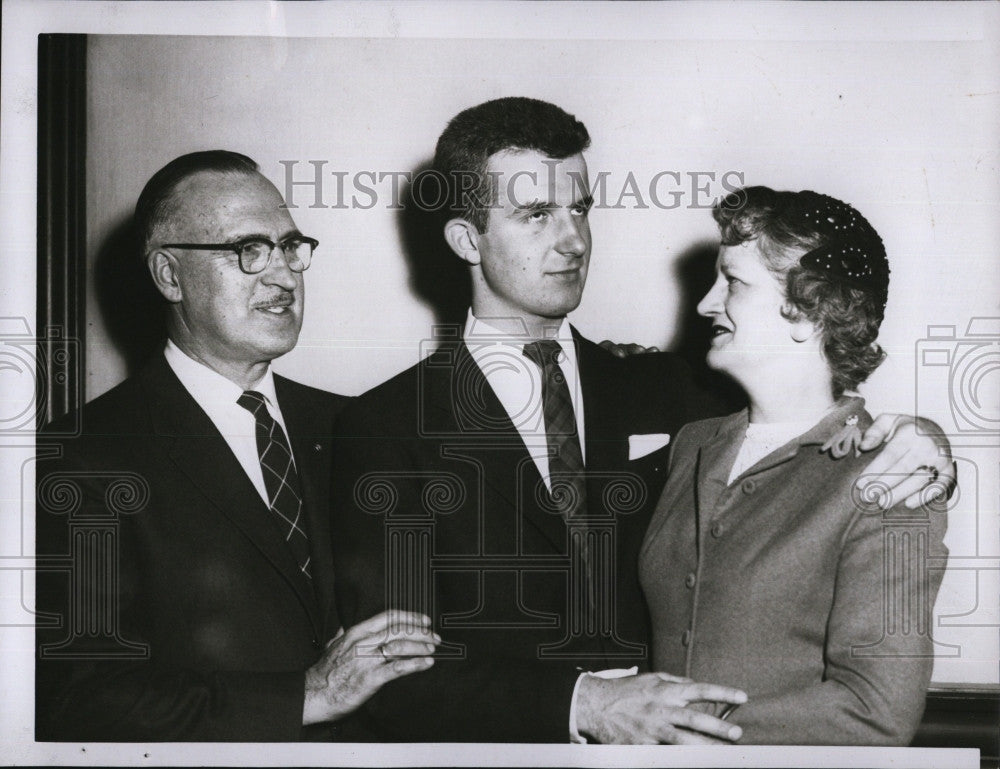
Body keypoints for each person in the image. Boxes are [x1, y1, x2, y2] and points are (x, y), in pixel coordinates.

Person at [328, 97, 953, 744]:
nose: (573, 240)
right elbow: (391, 673)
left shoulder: (677, 392)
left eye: (580, 208)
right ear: (466, 238)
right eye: (537, 215)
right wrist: (587, 704)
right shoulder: (386, 427)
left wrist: (924, 444)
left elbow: (809, 429)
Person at [34, 151, 439, 741]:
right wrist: (306, 695)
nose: (282, 276)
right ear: (169, 275)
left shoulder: (354, 425)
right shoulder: (83, 456)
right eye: (247, 250)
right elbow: (75, 700)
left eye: (290, 247)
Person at [640, 186, 949, 745]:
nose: (706, 303)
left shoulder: (896, 473)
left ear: (806, 312)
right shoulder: (693, 443)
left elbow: (876, 712)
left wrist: (679, 730)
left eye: (732, 282)